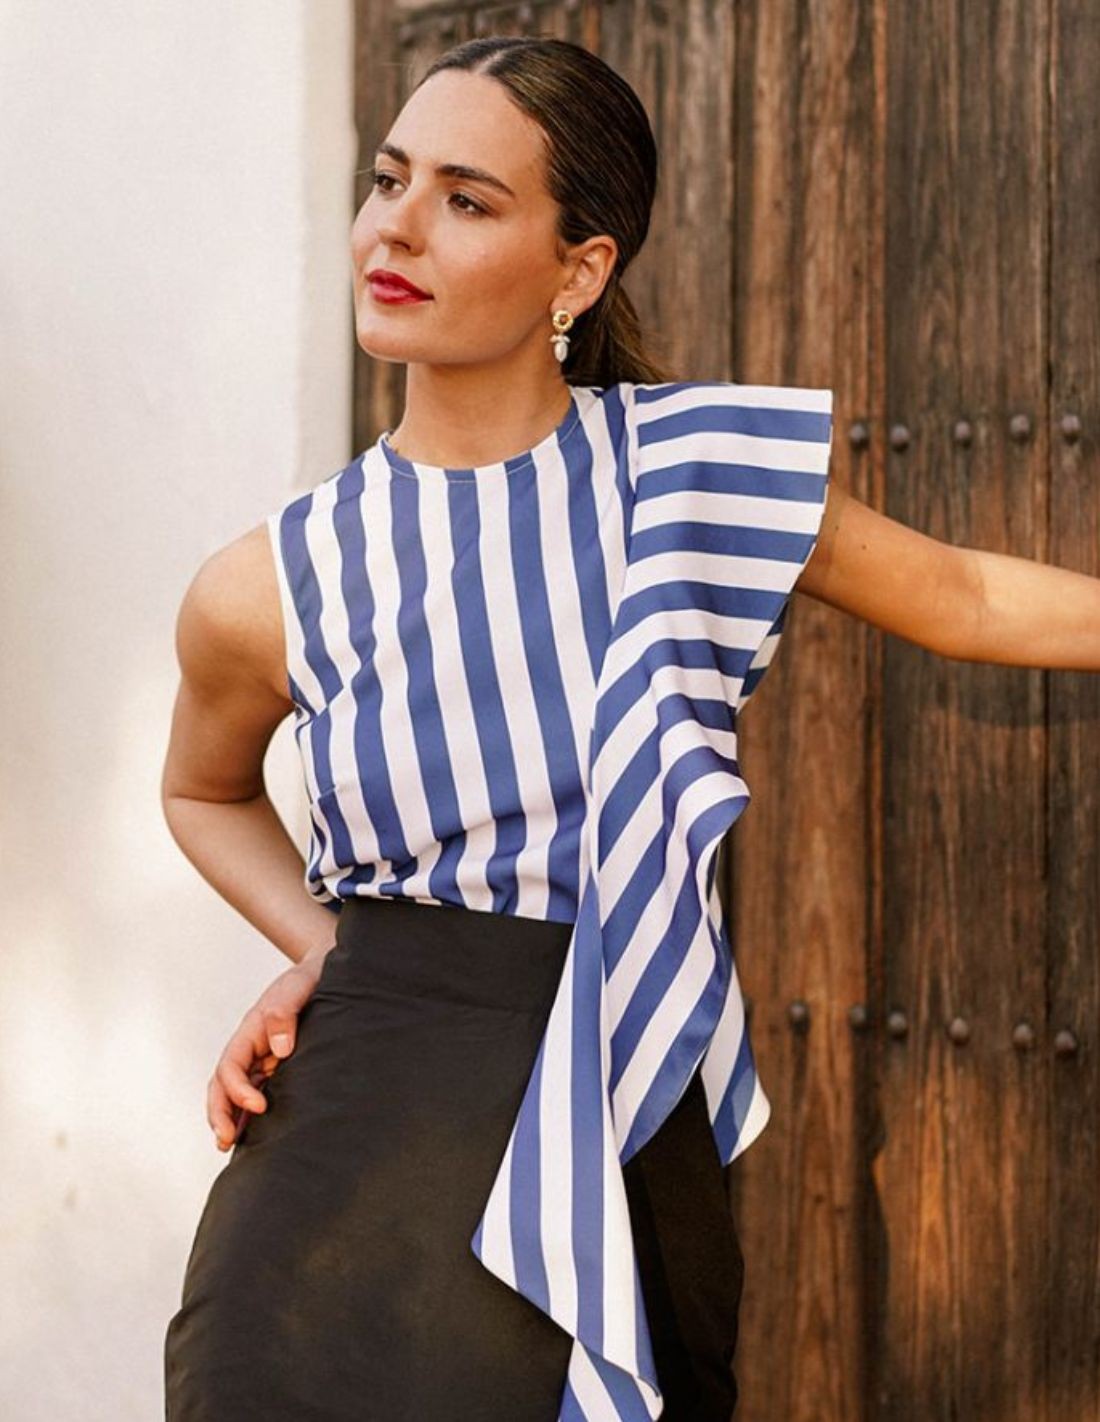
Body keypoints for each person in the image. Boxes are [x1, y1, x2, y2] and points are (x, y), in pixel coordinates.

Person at [161, 34, 1100, 1422]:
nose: (397, 229)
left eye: (467, 200)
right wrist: (320, 945)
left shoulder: (685, 473)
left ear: (580, 269)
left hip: (618, 1108)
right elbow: (199, 792)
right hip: (339, 1165)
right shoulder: (269, 581)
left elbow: (961, 595)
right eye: (388, 180)